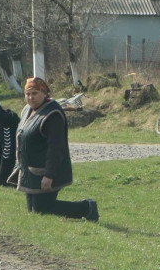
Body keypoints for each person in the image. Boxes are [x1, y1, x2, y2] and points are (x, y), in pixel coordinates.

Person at [15, 76, 98, 221]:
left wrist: (49, 175)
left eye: (35, 93)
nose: (31, 97)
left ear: (44, 93)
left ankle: (87, 208)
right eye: (28, 94)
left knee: (42, 209)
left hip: (47, 171)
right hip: (31, 170)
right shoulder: (27, 110)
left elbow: (56, 147)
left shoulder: (52, 115)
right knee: (34, 212)